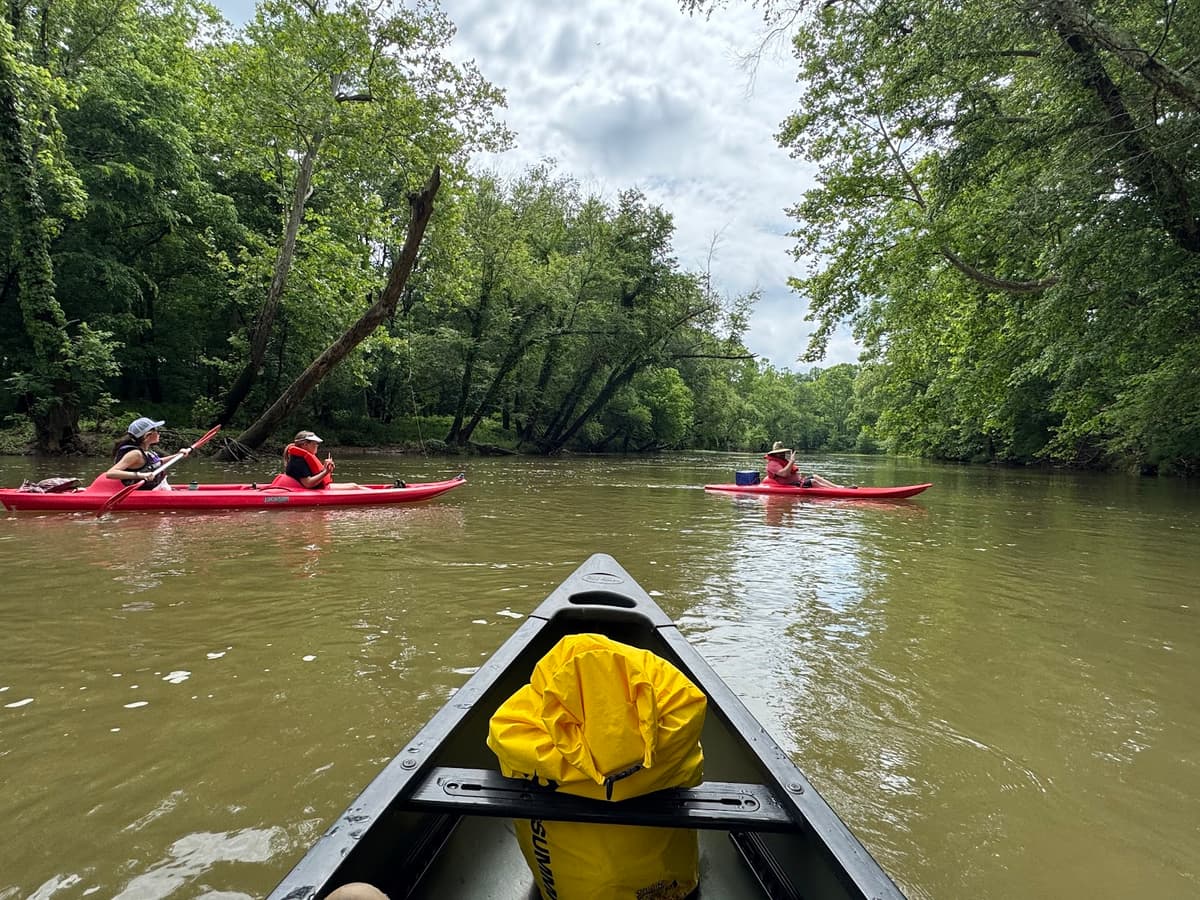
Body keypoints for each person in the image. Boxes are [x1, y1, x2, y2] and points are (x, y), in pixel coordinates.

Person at [104, 417, 192, 491]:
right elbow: (111, 473)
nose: (159, 433)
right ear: (148, 435)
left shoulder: (146, 451)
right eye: (157, 431)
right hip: (151, 492)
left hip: (161, 488)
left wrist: (178, 455)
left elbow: (157, 463)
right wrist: (142, 475)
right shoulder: (135, 454)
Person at [283, 430, 359, 490]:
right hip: (310, 491)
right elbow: (308, 484)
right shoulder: (298, 461)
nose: (317, 445)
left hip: (317, 489)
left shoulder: (300, 459)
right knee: (355, 487)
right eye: (314, 443)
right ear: (305, 445)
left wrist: (325, 469)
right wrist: (326, 472)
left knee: (355, 486)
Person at [763, 441, 840, 488]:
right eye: (780, 453)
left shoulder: (781, 460)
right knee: (813, 482)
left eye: (782, 452)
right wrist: (791, 461)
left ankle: (838, 487)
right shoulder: (772, 464)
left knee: (815, 476)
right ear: (775, 454)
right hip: (790, 484)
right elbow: (784, 474)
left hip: (797, 481)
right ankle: (835, 491)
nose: (782, 454)